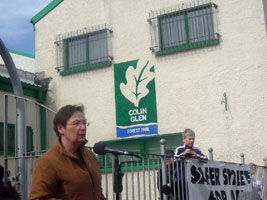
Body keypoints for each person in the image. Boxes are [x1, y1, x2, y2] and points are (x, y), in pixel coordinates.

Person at [30, 104, 107, 200]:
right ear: (60, 128)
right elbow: (38, 198)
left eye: (84, 122)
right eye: (76, 123)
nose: (83, 127)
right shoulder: (47, 161)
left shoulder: (91, 157)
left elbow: (98, 194)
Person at [174, 128, 208, 200]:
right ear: (184, 139)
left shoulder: (197, 150)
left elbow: (206, 159)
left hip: (194, 180)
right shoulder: (179, 149)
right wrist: (184, 154)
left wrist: (196, 155)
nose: (192, 141)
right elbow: (174, 159)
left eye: (193, 139)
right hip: (182, 179)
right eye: (189, 139)